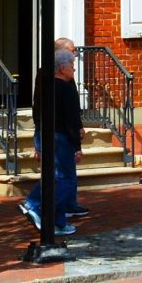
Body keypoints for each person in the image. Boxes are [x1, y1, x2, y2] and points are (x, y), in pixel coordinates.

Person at [24, 39, 85, 237]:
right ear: (62, 67)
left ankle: (58, 221)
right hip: (59, 137)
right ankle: (38, 206)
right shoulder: (62, 86)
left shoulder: (52, 85)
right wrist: (77, 145)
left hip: (51, 133)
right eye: (71, 64)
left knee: (56, 177)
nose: (74, 68)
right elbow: (69, 118)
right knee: (64, 179)